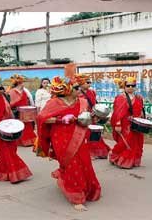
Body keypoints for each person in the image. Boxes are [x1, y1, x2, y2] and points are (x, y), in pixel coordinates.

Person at [37, 76, 101, 211]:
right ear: (67, 89)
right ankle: (76, 196)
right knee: (71, 163)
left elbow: (87, 118)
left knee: (84, 162)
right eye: (76, 88)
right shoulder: (54, 102)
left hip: (80, 135)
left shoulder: (83, 102)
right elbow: (43, 119)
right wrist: (61, 120)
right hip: (61, 137)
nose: (80, 90)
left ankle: (87, 188)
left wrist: (96, 117)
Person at [109, 76, 145, 169]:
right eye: (128, 86)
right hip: (125, 124)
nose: (130, 87)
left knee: (136, 143)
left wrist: (142, 118)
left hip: (136, 124)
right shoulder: (120, 98)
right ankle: (121, 159)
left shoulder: (138, 97)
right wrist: (117, 124)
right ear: (124, 86)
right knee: (124, 143)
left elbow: (141, 110)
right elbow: (117, 113)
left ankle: (133, 160)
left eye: (133, 85)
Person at [74, 74, 110, 159]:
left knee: (95, 134)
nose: (89, 84)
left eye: (90, 82)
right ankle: (89, 153)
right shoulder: (76, 94)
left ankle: (98, 152)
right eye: (87, 82)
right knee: (85, 135)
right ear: (81, 83)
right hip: (83, 117)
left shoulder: (92, 92)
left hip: (93, 115)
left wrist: (97, 115)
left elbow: (94, 104)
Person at [6, 74, 36, 147]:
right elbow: (11, 103)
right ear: (19, 83)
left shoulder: (24, 91)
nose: (23, 84)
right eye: (22, 82)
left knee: (28, 126)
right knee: (19, 126)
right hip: (17, 111)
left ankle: (30, 141)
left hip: (25, 111)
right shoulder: (12, 91)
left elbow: (27, 100)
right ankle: (21, 141)